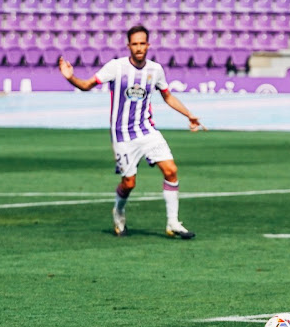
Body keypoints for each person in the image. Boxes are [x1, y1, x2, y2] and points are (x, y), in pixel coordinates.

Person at [58, 25, 199, 239]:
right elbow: (87, 85)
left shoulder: (156, 70)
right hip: (122, 135)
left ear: (148, 45)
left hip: (147, 130)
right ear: (128, 46)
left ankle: (173, 223)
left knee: (171, 170)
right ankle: (119, 211)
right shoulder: (116, 67)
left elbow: (168, 96)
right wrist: (70, 77)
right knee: (129, 183)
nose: (139, 47)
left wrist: (189, 114)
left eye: (143, 43)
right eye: (135, 44)